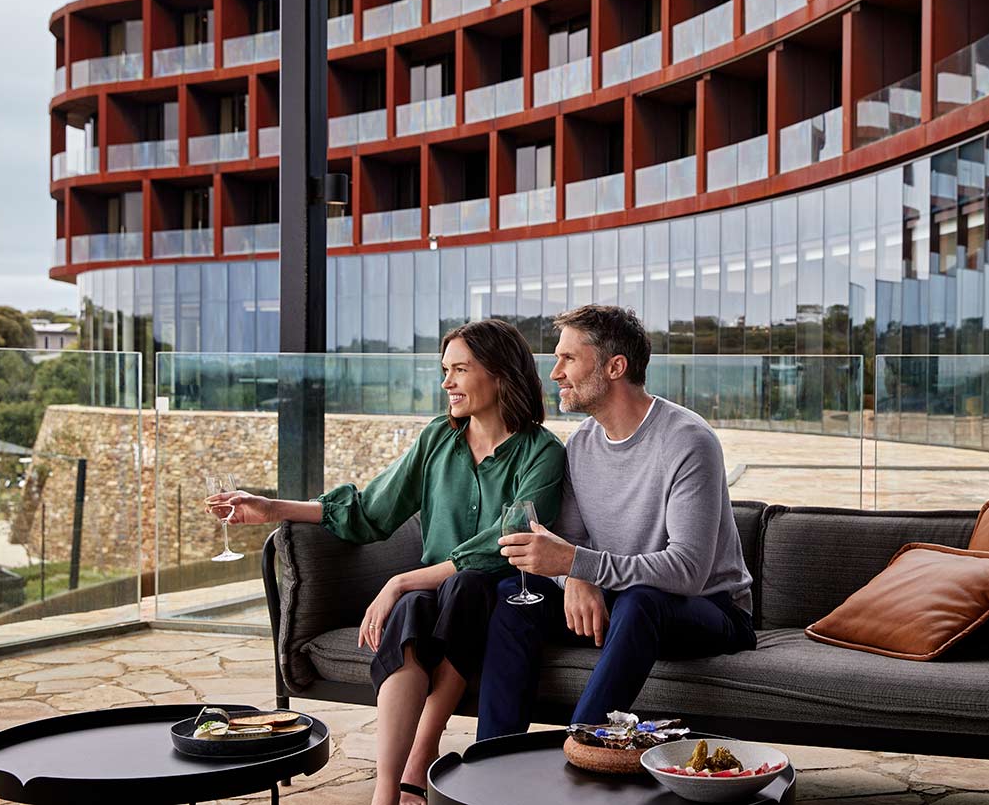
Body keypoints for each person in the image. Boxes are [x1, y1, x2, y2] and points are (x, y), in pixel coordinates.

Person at [208, 319, 564, 805]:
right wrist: (273, 508)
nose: (447, 383)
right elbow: (371, 510)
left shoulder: (541, 451)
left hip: (497, 593)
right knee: (415, 611)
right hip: (435, 594)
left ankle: (421, 755)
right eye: (444, 370)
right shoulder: (438, 437)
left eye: (460, 369)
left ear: (500, 374)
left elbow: (507, 541)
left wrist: (400, 579)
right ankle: (385, 789)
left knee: (463, 588)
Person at [477, 305, 755, 738]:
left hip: (710, 610)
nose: (555, 373)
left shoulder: (687, 440)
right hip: (616, 599)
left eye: (568, 358)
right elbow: (569, 544)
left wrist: (580, 565)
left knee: (641, 600)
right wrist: (575, 579)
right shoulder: (582, 444)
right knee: (514, 595)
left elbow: (687, 570)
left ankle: (579, 750)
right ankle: (492, 760)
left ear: (614, 366)